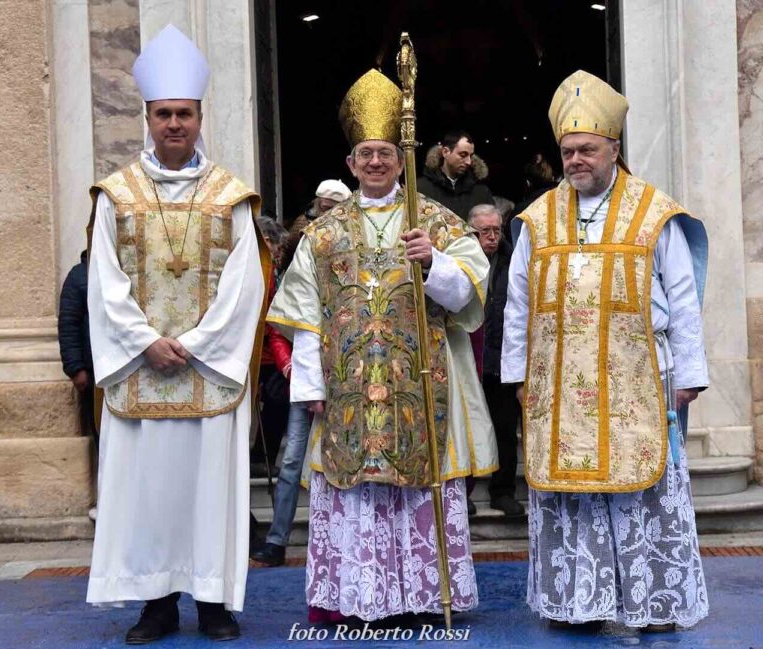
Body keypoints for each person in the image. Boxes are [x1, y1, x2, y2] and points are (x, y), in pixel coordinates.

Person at [267, 69, 497, 622]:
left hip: (420, 385)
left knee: (418, 485)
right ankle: (356, 597)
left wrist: (433, 263)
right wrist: (311, 390)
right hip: (345, 390)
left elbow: (469, 291)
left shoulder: (435, 222)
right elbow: (304, 317)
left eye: (386, 153)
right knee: (354, 490)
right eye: (366, 153)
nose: (375, 162)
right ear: (350, 163)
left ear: (403, 159)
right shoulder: (322, 235)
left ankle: (419, 596)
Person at [501, 70, 709, 631]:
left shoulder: (652, 212)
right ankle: (577, 604)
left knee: (640, 490)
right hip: (557, 386)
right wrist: (518, 374)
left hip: (639, 379)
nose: (575, 160)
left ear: (613, 149)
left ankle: (651, 602)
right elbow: (517, 302)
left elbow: (683, 299)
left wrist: (689, 373)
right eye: (567, 151)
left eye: (587, 149)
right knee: (572, 495)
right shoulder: (538, 218)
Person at [85, 24, 267, 643]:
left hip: (205, 372)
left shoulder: (230, 195)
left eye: (183, 114)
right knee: (148, 498)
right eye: (162, 114)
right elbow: (102, 281)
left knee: (209, 494)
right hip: (142, 370)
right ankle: (155, 603)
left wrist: (197, 344)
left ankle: (214, 603)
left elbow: (246, 284)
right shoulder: (116, 195)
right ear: (146, 116)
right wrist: (144, 341)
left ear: (198, 115)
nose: (173, 124)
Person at [467, 205, 522, 518]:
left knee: (504, 429)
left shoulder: (513, 261)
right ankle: (466, 491)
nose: (490, 237)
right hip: (470, 358)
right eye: (483, 231)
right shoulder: (461, 261)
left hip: (503, 358)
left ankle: (503, 491)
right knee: (469, 428)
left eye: (495, 230)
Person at [250, 216, 293, 479]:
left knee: (277, 401)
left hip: (271, 349)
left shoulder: (274, 266)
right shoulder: (259, 265)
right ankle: (257, 457)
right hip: (260, 348)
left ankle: (261, 456)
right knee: (275, 400)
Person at [58, 250, 99, 520]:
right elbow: (69, 324)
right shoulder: (79, 276)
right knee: (102, 437)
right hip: (94, 373)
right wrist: (76, 369)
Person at [416, 130, 494, 220]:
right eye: (463, 155)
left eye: (470, 156)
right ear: (445, 152)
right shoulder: (421, 188)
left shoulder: (481, 191)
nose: (468, 161)